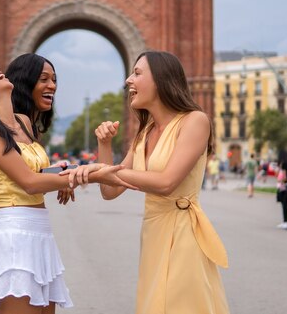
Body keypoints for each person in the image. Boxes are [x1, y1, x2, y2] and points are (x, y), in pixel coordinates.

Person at [0, 63, 130, 313]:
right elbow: (29, 182)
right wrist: (86, 176)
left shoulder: (23, 122)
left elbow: (35, 172)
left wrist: (62, 171)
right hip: (15, 236)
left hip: (41, 235)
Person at [83, 51, 229, 314]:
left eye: (137, 73)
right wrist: (104, 146)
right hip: (153, 234)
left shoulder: (195, 121)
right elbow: (110, 190)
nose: (128, 80)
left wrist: (98, 171)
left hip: (183, 232)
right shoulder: (145, 132)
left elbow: (166, 182)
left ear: (161, 80)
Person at [0, 54, 67, 280]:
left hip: (35, 229)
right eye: (43, 79)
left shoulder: (24, 122)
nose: (52, 85)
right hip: (2, 226)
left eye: (54, 79)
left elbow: (29, 173)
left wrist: (60, 174)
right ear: (25, 82)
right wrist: (76, 176)